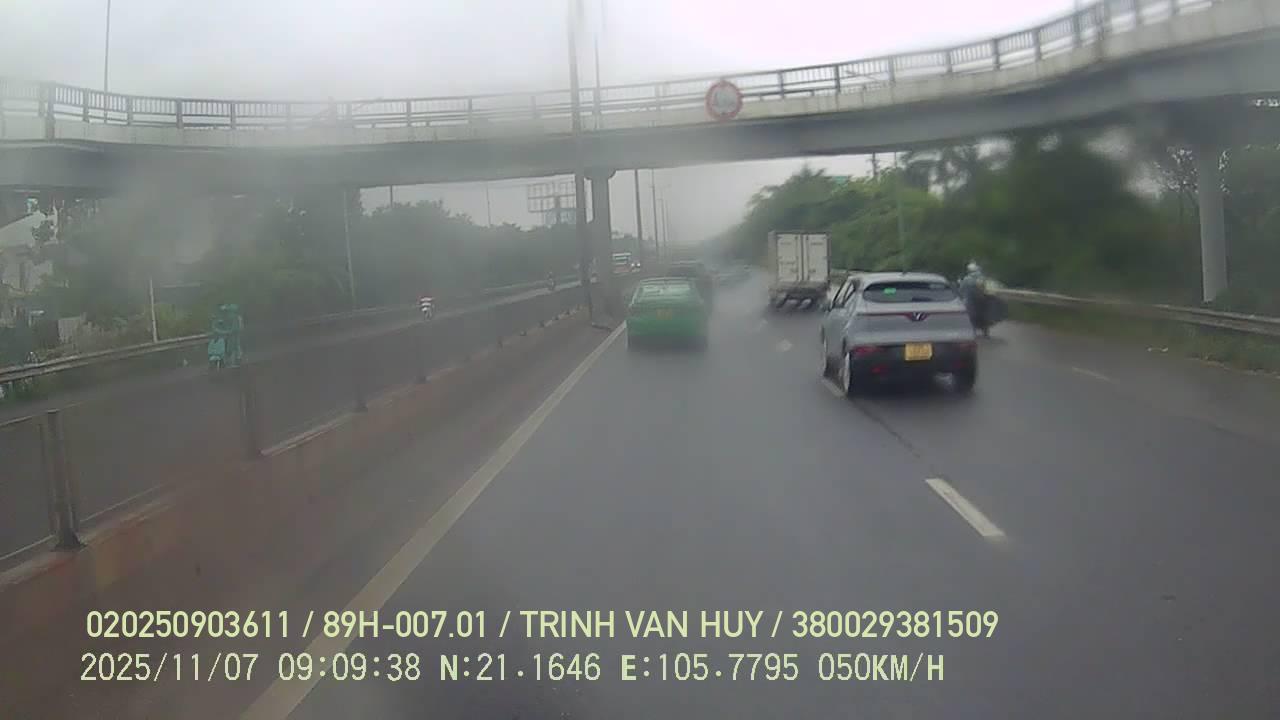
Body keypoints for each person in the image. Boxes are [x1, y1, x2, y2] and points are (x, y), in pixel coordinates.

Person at [959, 261, 992, 337]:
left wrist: (962, 297)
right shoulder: (982, 278)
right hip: (982, 300)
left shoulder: (966, 279)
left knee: (971, 316)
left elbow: (961, 290)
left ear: (969, 271)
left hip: (970, 301)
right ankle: (985, 332)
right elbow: (988, 289)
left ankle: (973, 331)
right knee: (984, 315)